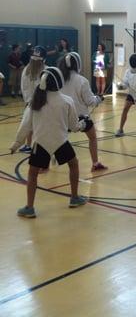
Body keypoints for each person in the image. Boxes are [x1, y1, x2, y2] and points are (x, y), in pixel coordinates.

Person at [9, 67, 88, 218]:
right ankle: (74, 198)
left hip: (41, 144)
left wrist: (17, 144)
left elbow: (26, 125)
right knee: (73, 164)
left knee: (33, 174)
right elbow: (73, 126)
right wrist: (83, 125)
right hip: (61, 142)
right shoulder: (66, 101)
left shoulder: (35, 101)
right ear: (58, 81)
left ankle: (29, 207)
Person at [58, 52, 107, 172]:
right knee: (93, 138)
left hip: (63, 117)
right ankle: (95, 163)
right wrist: (99, 98)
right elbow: (91, 102)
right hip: (81, 119)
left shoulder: (59, 79)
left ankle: (46, 164)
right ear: (77, 64)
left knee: (58, 139)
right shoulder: (82, 81)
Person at [20, 46, 47, 153]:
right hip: (41, 103)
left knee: (30, 124)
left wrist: (27, 101)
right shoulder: (46, 70)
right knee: (36, 125)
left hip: (32, 102)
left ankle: (31, 145)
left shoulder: (27, 69)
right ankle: (35, 145)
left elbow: (24, 87)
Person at [115, 54, 136, 137]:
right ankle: (120, 129)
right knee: (125, 109)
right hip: (131, 94)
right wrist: (121, 86)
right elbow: (126, 84)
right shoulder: (128, 71)